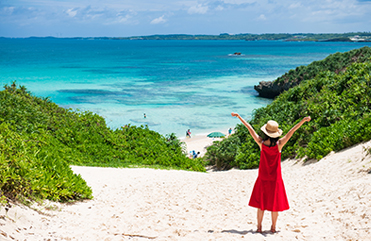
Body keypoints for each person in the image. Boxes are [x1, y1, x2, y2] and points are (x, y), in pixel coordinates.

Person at [231, 112, 311, 233]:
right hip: (276, 178)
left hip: (263, 177)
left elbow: (250, 128)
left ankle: (259, 227)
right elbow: (292, 131)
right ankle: (273, 227)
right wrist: (303, 121)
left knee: (261, 204)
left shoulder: (261, 143)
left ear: (265, 132)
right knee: (275, 204)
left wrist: (239, 117)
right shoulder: (280, 144)